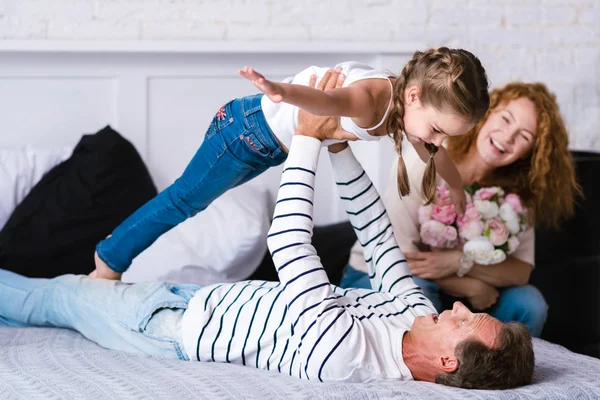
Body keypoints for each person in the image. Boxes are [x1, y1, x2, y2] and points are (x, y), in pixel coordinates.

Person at [0, 73, 533, 390]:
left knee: (54, 298)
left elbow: (289, 245)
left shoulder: (345, 358)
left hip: (167, 325)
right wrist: (339, 146)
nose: (460, 309)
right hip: (205, 297)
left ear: (445, 362)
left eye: (467, 323)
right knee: (59, 295)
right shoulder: (413, 313)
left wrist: (305, 138)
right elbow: (375, 233)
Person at [91, 47, 491, 280]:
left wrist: (456, 190)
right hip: (242, 133)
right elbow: (328, 102)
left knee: (191, 202)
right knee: (185, 201)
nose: (438, 141)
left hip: (268, 148)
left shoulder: (412, 114)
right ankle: (107, 262)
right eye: (438, 130)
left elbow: (436, 157)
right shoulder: (371, 100)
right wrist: (280, 91)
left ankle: (110, 258)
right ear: (416, 96)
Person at [341, 82, 581, 338]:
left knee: (529, 303)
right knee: (421, 295)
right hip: (380, 275)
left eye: (524, 137)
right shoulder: (425, 161)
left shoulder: (518, 196)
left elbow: (520, 271)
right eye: (506, 119)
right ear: (486, 114)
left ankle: (502, 369)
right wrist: (470, 286)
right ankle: (441, 371)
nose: (508, 136)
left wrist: (463, 263)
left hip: (454, 289)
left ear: (531, 153)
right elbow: (401, 258)